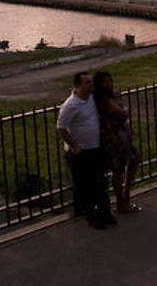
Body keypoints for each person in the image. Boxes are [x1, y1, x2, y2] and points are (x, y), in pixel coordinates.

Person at [57, 72, 114, 229]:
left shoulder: (91, 98)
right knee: (85, 186)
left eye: (91, 82)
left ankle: (105, 213)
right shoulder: (70, 105)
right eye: (87, 82)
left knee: (100, 182)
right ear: (78, 86)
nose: (91, 84)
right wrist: (74, 146)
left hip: (95, 147)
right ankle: (92, 216)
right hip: (81, 152)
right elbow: (61, 128)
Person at [92, 72, 141, 214]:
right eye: (104, 82)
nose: (107, 84)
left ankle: (126, 193)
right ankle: (121, 202)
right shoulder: (102, 100)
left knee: (134, 159)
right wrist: (123, 112)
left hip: (122, 136)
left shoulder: (112, 96)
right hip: (112, 139)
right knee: (118, 169)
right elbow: (122, 113)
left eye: (109, 81)